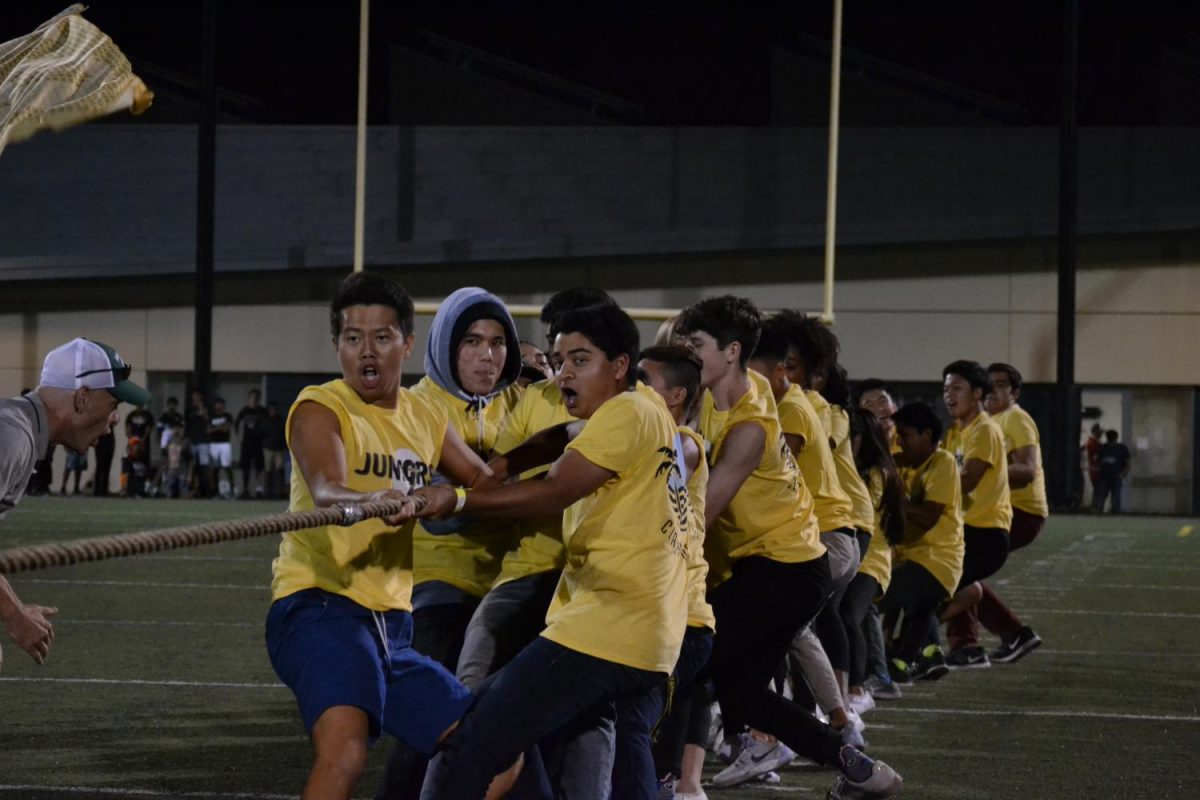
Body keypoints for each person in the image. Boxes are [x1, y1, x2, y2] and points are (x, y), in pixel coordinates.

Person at [415, 303, 691, 800]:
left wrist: (458, 496)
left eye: (580, 360)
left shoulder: (625, 413)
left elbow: (552, 493)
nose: (564, 371)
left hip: (607, 627)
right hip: (648, 632)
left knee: (472, 734)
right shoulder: (642, 405)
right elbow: (560, 436)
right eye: (559, 359)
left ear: (620, 366)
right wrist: (498, 468)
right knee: (588, 752)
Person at [264, 272, 519, 800]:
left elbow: (486, 483)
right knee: (346, 750)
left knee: (496, 755)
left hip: (391, 629)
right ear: (336, 344)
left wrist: (555, 439)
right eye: (351, 338)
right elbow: (325, 487)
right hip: (319, 608)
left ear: (406, 343)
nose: (365, 351)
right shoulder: (319, 406)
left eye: (381, 337)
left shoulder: (424, 414)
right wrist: (365, 501)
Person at [675, 296, 902, 799]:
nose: (687, 355)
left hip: (783, 569)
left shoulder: (750, 423)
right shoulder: (734, 387)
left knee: (687, 658)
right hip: (782, 565)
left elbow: (699, 517)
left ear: (732, 351)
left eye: (696, 346)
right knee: (743, 695)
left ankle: (671, 782)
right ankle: (859, 768)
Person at [376, 286, 523, 800]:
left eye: (499, 342)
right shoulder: (414, 407)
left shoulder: (525, 399)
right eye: (473, 342)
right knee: (431, 713)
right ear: (443, 346)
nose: (488, 356)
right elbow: (435, 518)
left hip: (515, 580)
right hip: (437, 581)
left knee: (533, 720)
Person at [0, 338, 150, 667]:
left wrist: (15, 607)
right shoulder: (13, 438)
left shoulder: (17, 430)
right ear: (81, 398)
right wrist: (13, 615)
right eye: (113, 406)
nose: (114, 422)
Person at [881, 403, 964, 684]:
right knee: (919, 608)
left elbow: (928, 516)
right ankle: (919, 658)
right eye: (897, 436)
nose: (899, 442)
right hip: (909, 556)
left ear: (927, 435)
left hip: (937, 560)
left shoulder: (943, 462)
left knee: (876, 598)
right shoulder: (900, 460)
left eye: (905, 435)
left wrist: (895, 502)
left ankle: (880, 665)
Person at [969, 363, 1047, 663]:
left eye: (1000, 384)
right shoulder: (989, 421)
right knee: (958, 569)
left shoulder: (1015, 418)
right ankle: (1009, 635)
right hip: (1002, 509)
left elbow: (1028, 470)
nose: (993, 389)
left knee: (957, 569)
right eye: (988, 384)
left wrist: (985, 468)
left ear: (1014, 392)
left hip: (1020, 510)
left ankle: (971, 644)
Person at [939, 360, 1013, 670]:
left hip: (985, 531)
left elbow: (968, 479)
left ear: (978, 393)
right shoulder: (957, 431)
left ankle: (915, 644)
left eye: (957, 388)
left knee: (938, 586)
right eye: (945, 389)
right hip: (964, 528)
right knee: (953, 586)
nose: (948, 395)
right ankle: (967, 647)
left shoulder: (984, 430)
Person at [236, 389, 268, 498]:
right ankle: (245, 490)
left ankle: (259, 491)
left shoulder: (263, 412)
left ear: (258, 399)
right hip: (246, 444)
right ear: (249, 399)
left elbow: (267, 427)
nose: (253, 400)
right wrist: (239, 439)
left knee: (259, 468)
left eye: (255, 398)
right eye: (251, 398)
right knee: (245, 468)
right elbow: (237, 426)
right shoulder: (244, 411)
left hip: (258, 444)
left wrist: (264, 438)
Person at [1095, 430, 1132, 513]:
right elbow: (1097, 462)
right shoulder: (1104, 448)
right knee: (1104, 497)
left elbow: (1128, 463)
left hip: (1112, 477)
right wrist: (1123, 474)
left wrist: (1122, 474)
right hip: (1106, 477)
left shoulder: (1120, 448)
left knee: (1112, 497)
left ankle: (1111, 513)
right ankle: (1103, 512)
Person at [207, 398, 235, 498]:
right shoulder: (211, 417)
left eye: (220, 404)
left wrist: (216, 428)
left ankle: (232, 490)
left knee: (227, 467)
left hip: (224, 444)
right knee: (214, 469)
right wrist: (219, 428)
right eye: (217, 404)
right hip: (213, 444)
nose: (218, 406)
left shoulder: (227, 416)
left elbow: (227, 429)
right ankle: (215, 492)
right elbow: (208, 430)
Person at [185, 390, 211, 497]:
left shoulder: (205, 408)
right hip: (193, 441)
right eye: (193, 396)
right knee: (193, 465)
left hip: (203, 441)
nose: (195, 398)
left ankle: (206, 490)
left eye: (197, 396)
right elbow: (187, 425)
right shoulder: (190, 410)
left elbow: (207, 420)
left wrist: (201, 408)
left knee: (204, 466)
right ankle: (194, 489)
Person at [262, 401, 288, 499]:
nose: (273, 411)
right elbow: (261, 433)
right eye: (271, 409)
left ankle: (278, 492)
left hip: (279, 449)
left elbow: (285, 434)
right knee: (267, 471)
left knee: (279, 471)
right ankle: (267, 493)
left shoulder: (281, 421)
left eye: (274, 409)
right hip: (268, 449)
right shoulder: (265, 421)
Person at [1085, 423, 1103, 510]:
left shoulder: (1093, 443)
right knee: (1098, 489)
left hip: (1096, 469)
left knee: (1098, 489)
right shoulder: (1092, 443)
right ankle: (1095, 507)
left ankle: (1096, 506)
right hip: (1095, 470)